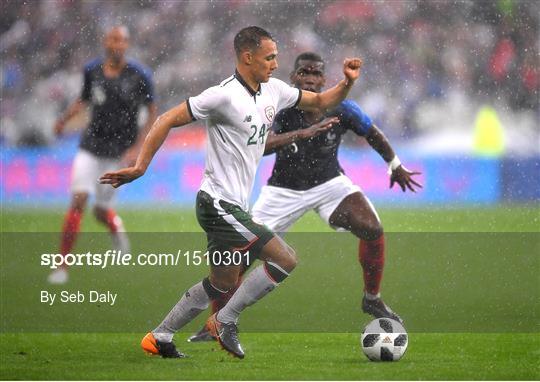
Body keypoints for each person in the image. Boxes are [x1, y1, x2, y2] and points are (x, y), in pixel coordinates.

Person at [100, 27, 362, 359]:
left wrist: (348, 81)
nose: (276, 64)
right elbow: (166, 119)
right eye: (270, 57)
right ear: (247, 57)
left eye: (276, 57)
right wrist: (140, 166)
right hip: (216, 203)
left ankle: (159, 337)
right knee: (285, 259)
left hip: (233, 205)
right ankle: (225, 320)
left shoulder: (275, 91)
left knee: (221, 283)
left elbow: (323, 100)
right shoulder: (221, 96)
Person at [187, 52, 421, 343]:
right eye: (304, 72)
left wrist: (395, 164)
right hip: (282, 192)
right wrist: (302, 133)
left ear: (324, 80)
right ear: (293, 78)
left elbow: (372, 133)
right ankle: (215, 323)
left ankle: (372, 298)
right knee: (239, 256)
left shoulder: (343, 109)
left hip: (329, 184)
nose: (310, 78)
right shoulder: (280, 110)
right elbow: (259, 146)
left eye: (316, 73)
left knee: (372, 228)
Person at [47, 25, 157, 285]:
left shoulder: (140, 75)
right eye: (112, 39)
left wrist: (138, 147)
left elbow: (152, 112)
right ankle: (61, 266)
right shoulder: (92, 71)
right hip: (90, 145)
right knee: (78, 200)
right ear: (105, 42)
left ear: (127, 44)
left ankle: (116, 229)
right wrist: (63, 120)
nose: (116, 44)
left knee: (100, 211)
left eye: (121, 40)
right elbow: (83, 100)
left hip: (118, 151)